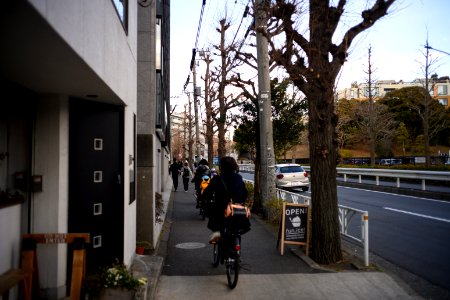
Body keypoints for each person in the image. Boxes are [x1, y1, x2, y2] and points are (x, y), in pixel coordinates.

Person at [200, 156, 248, 243]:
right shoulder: (238, 178)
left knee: (215, 219)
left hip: (221, 209)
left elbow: (207, 193)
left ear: (221, 167)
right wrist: (241, 202)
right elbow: (245, 193)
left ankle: (216, 235)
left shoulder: (217, 179)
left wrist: (203, 200)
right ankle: (236, 246)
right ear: (234, 166)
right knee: (236, 229)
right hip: (236, 209)